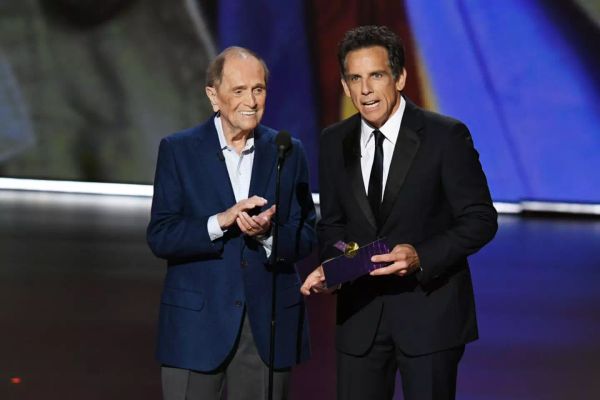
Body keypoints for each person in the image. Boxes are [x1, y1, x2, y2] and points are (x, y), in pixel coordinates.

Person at [301, 26, 498, 400]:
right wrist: (342, 263)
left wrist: (421, 255)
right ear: (344, 86)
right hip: (360, 320)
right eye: (355, 79)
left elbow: (480, 219)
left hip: (429, 318)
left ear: (400, 77)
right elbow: (332, 225)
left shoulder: (446, 136)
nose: (366, 90)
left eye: (376, 75)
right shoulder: (333, 141)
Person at [147, 46, 316, 400]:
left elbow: (306, 235)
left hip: (266, 329)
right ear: (214, 96)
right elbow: (161, 236)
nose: (251, 101)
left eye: (258, 89)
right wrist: (220, 222)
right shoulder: (179, 150)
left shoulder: (288, 151)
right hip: (195, 328)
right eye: (238, 90)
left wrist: (269, 235)